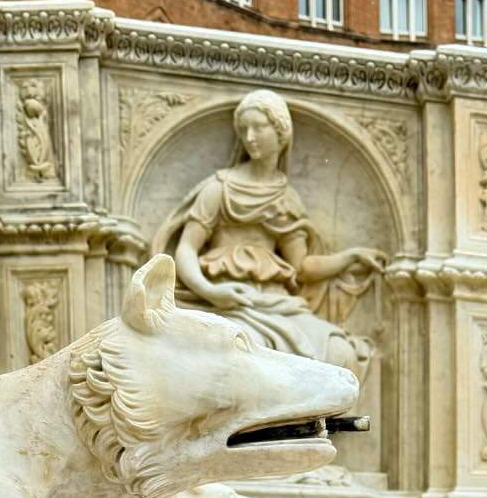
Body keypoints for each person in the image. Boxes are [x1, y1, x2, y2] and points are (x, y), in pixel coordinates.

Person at [153, 89, 384, 369]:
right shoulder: (221, 188)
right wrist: (210, 292)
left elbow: (303, 267)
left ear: (281, 132)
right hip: (226, 299)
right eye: (244, 129)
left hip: (276, 302)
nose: (249, 137)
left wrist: (352, 257)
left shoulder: (286, 198)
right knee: (249, 351)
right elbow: (186, 248)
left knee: (339, 353)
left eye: (258, 128)